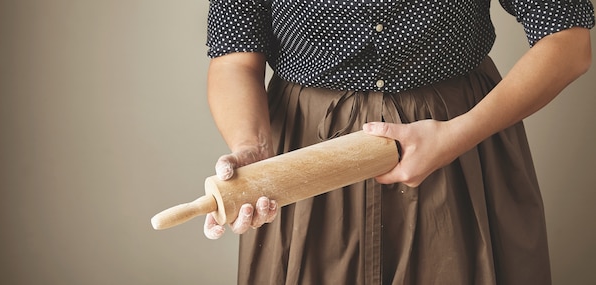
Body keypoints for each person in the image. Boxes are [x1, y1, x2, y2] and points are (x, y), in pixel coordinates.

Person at [201, 1, 593, 284]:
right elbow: (235, 58)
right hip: (307, 159)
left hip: (460, 146)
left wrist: (457, 134)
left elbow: (569, 41)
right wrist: (252, 148)